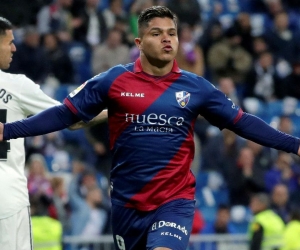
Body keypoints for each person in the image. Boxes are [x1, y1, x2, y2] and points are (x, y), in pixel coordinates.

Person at [0, 6, 300, 250]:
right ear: (139, 43)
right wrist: (8, 131)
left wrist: (294, 144)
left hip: (174, 200)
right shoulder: (113, 81)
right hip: (127, 204)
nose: (167, 39)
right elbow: (64, 114)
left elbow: (242, 122)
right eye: (157, 33)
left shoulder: (196, 88)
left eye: (172, 33)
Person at [0, 17, 106, 250]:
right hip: (6, 195)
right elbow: (68, 119)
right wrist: (115, 111)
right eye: (9, 42)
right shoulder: (14, 85)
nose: (14, 48)